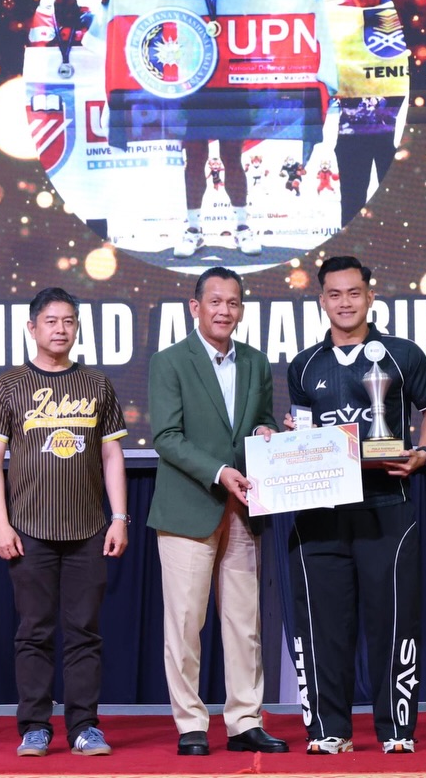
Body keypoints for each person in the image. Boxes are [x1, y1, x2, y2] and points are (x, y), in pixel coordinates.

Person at [284, 256, 426, 755]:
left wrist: (423, 452)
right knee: (322, 628)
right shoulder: (304, 365)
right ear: (322, 300)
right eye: (334, 294)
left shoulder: (401, 353)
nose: (345, 302)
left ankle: (396, 730)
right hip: (320, 515)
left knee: (394, 622)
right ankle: (328, 730)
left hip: (387, 506)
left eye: (354, 292)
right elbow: (302, 431)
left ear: (370, 296)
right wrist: (287, 440)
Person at [0, 287, 129, 758]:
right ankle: (35, 727)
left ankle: (84, 727)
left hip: (88, 529)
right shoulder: (8, 386)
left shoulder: (97, 384)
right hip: (28, 530)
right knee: (34, 632)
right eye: (51, 321)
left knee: (85, 633)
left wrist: (119, 518)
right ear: (32, 328)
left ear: (77, 327)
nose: (60, 329)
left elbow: (112, 455)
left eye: (68, 321)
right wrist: (0, 524)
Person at [147, 267, 288, 758]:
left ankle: (245, 721)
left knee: (245, 624)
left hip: (243, 508)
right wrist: (220, 471)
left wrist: (269, 433)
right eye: (215, 302)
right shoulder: (169, 362)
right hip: (188, 509)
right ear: (195, 307)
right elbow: (166, 437)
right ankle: (190, 724)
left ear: (241, 309)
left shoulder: (256, 361)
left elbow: (261, 421)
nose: (224, 311)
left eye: (233, 302)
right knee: (186, 623)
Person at [164, 0, 261, 259]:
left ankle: (242, 227)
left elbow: (270, 16)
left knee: (232, 157)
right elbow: (153, 23)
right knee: (195, 158)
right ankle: (193, 230)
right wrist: (111, 4)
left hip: (233, 85)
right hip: (194, 87)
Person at [334, 0, 402, 230]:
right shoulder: (338, 28)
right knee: (352, 208)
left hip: (395, 135)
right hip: (352, 137)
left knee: (399, 210)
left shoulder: (402, 24)